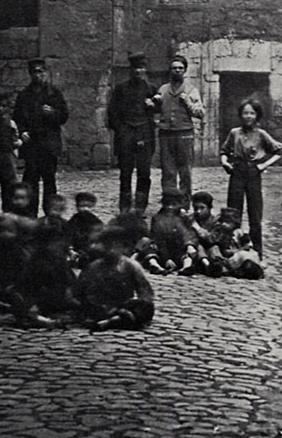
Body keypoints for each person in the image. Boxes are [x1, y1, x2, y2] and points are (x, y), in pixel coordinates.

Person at [220, 99, 282, 257]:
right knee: (233, 212)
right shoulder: (234, 133)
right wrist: (225, 163)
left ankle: (257, 250)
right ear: (240, 115)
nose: (248, 116)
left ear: (257, 116)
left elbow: (281, 150)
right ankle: (231, 247)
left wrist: (264, 165)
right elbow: (224, 151)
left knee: (255, 213)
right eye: (245, 113)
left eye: (252, 113)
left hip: (253, 173)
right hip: (237, 172)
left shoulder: (261, 134)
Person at [13, 58, 68, 214]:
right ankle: (31, 214)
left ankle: (51, 214)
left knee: (49, 180)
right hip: (32, 144)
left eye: (40, 72)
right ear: (30, 74)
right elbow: (17, 118)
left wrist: (52, 113)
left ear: (45, 73)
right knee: (31, 180)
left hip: (49, 143)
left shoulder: (54, 94)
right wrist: (22, 131)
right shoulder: (24, 95)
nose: (38, 75)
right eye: (34, 72)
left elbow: (64, 116)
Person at [76, 224, 155, 331]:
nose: (112, 250)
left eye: (116, 246)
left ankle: (113, 321)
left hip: (123, 305)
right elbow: (80, 292)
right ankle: (117, 320)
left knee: (146, 307)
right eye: (108, 246)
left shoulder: (131, 266)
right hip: (100, 307)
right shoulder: (93, 267)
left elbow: (145, 293)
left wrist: (138, 303)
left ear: (124, 248)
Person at [107, 52, 157, 213]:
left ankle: (141, 208)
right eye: (135, 68)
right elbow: (112, 112)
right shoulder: (121, 88)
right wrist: (121, 131)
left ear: (145, 70)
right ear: (131, 69)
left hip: (144, 134)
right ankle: (125, 208)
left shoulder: (151, 89)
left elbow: (158, 111)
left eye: (141, 68)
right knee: (125, 172)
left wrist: (153, 105)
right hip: (126, 134)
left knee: (144, 172)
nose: (138, 71)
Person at [154, 54, 204, 206]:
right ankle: (169, 202)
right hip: (166, 134)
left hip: (184, 134)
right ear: (170, 70)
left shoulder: (191, 90)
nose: (177, 71)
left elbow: (200, 113)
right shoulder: (163, 89)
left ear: (185, 71)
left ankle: (184, 202)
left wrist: (188, 102)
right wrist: (154, 107)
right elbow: (156, 110)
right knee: (168, 170)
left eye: (180, 68)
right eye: (174, 68)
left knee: (185, 171)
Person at [65, 192, 103, 267]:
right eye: (82, 206)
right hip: (75, 251)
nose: (85, 209)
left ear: (93, 206)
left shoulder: (96, 222)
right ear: (76, 206)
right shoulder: (74, 221)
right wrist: (70, 250)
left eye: (89, 206)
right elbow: (67, 236)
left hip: (90, 252)